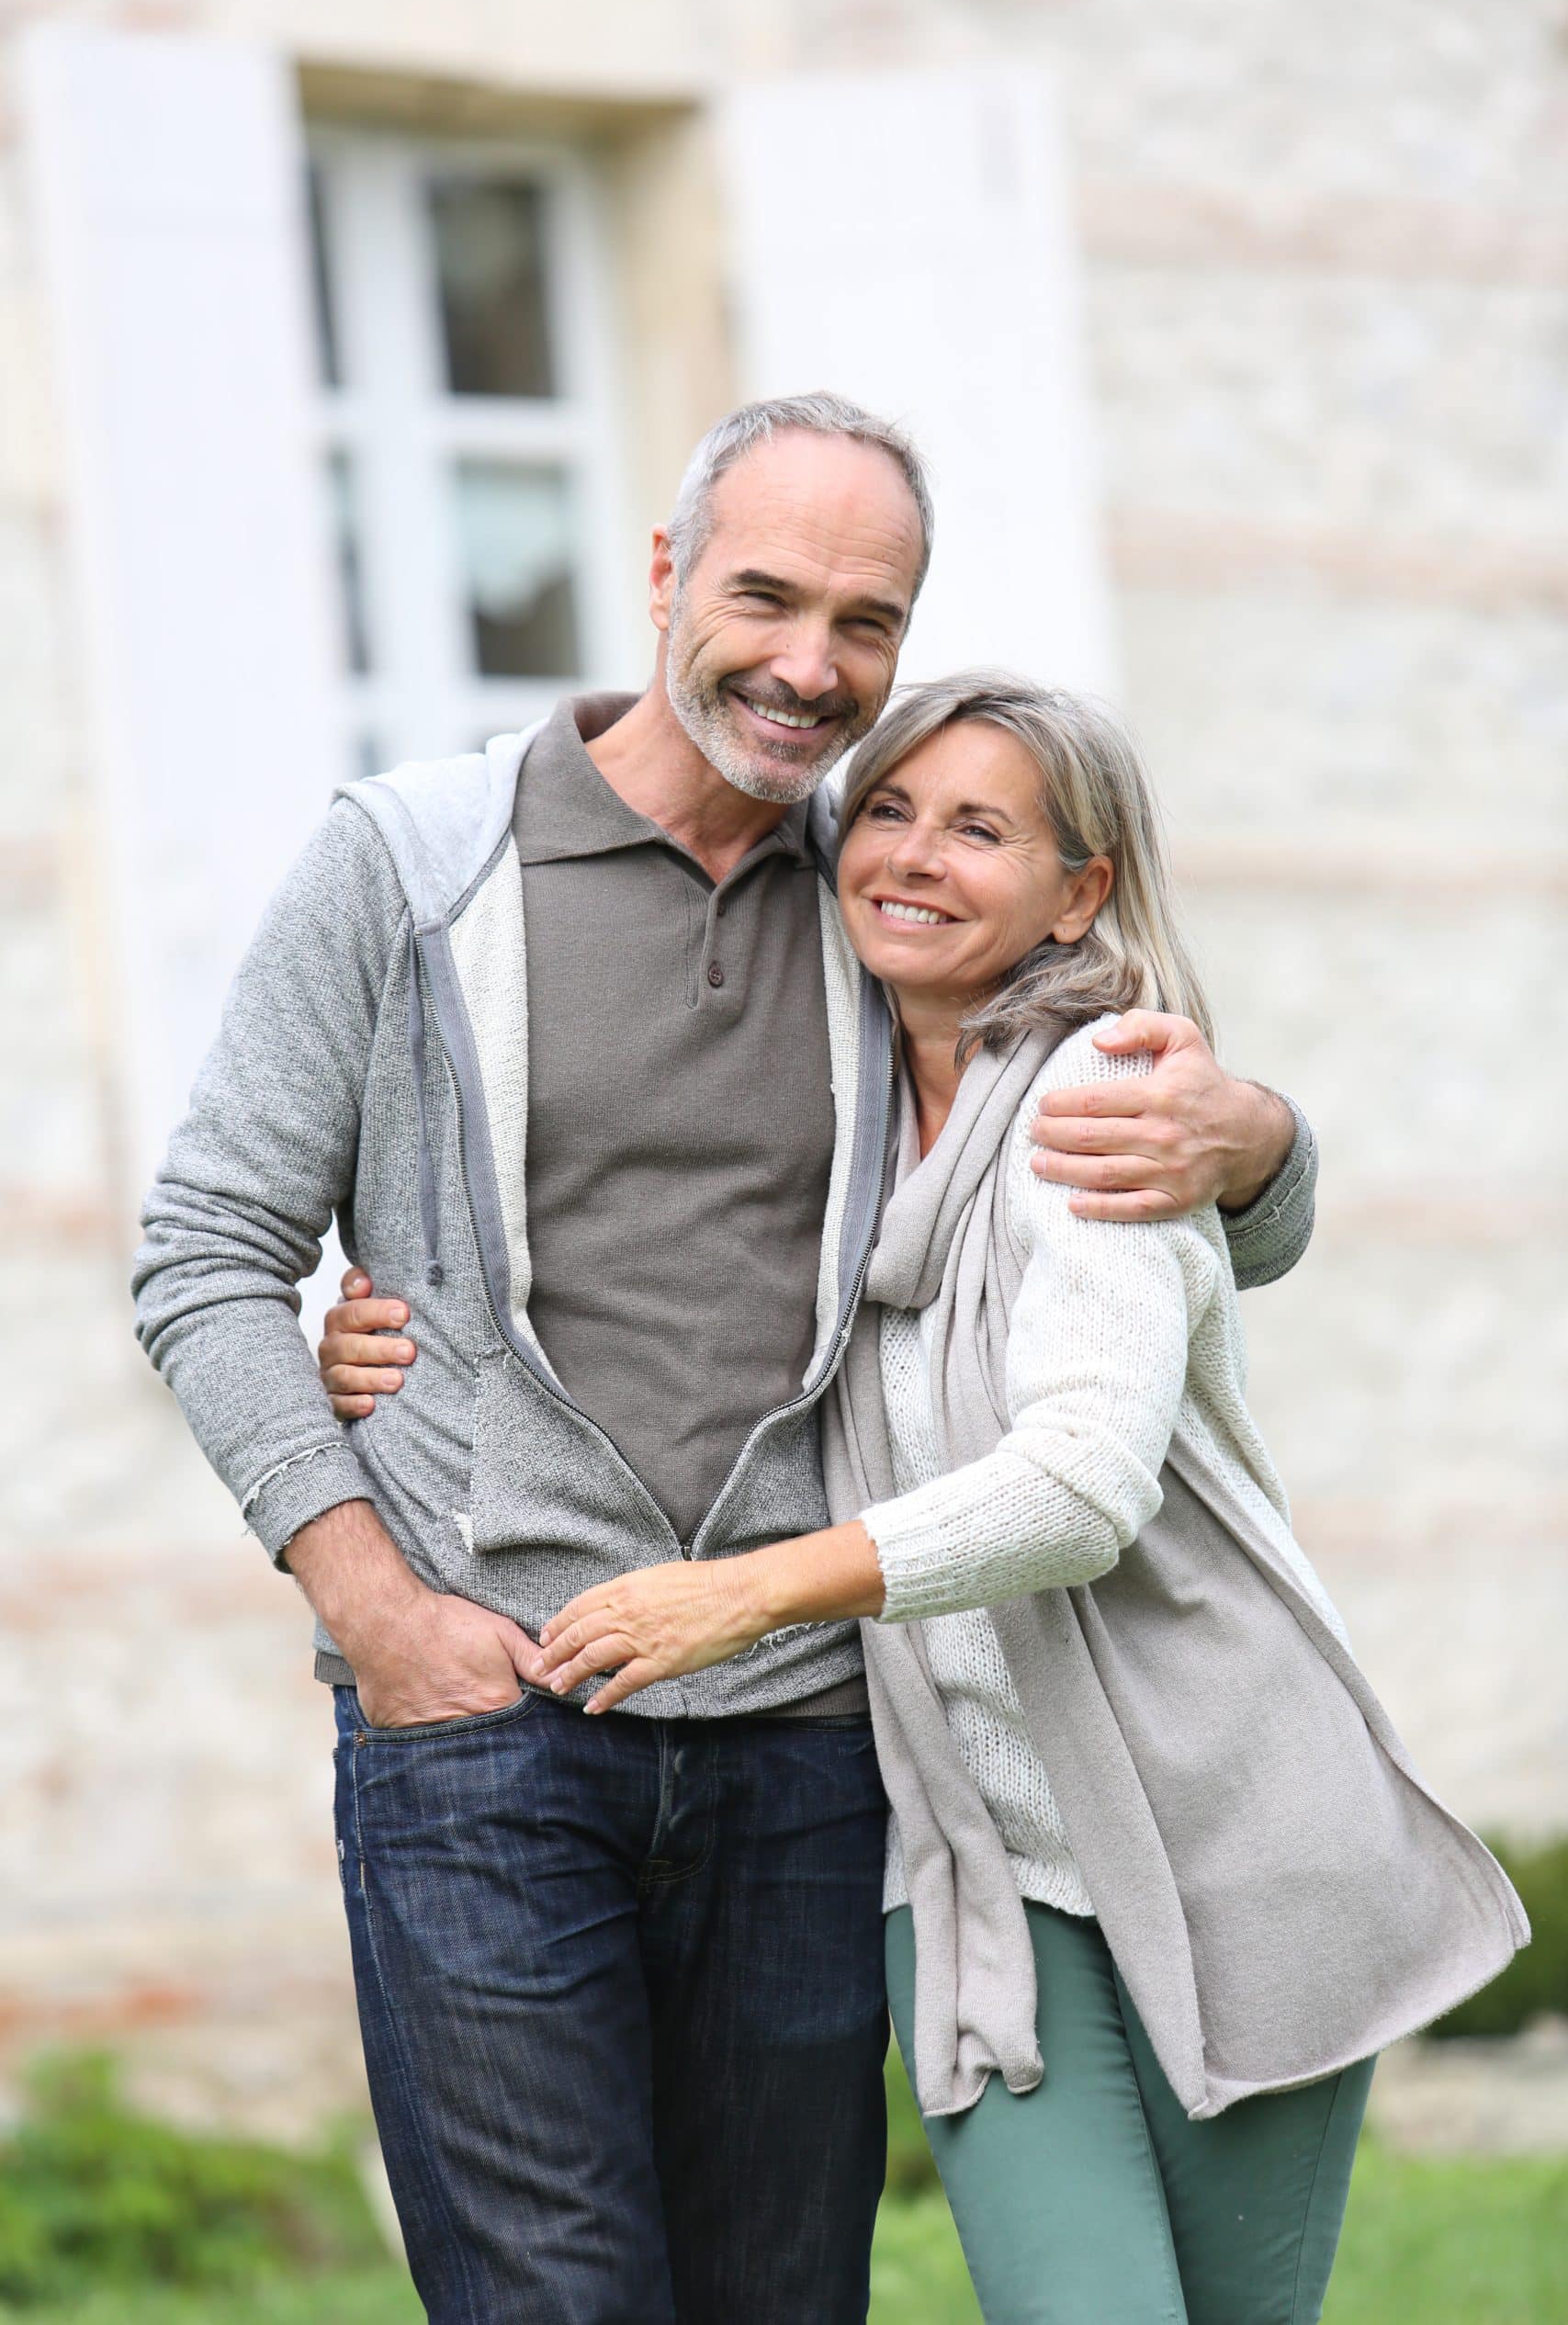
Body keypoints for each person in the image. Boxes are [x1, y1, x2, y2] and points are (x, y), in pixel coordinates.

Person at [134, 396, 1318, 2325]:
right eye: (765, 595)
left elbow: (1145, 1187)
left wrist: (1253, 1132)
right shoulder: (408, 865)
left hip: (807, 1737)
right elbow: (205, 1249)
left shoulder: (886, 888)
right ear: (666, 573)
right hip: (486, 1714)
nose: (809, 663)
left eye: (867, 619)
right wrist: (378, 1600)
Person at [466, 672, 1526, 2325]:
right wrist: (371, 1325)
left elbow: (1079, 1489)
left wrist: (742, 1592)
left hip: (1230, 1834)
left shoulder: (1104, 1111)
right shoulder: (837, 1119)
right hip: (979, 1881)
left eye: (981, 829)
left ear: (1077, 891)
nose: (914, 856)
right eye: (888, 811)